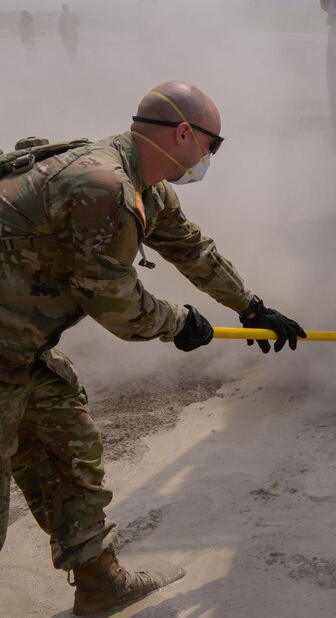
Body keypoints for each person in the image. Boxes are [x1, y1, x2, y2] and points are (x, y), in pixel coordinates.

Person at [0, 81, 306, 615]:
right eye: (214, 144)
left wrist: (250, 307)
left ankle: (100, 583)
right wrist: (179, 323)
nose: (211, 156)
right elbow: (114, 303)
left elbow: (192, 249)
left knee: (68, 448)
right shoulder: (102, 187)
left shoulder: (145, 185)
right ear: (184, 133)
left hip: (18, 347)